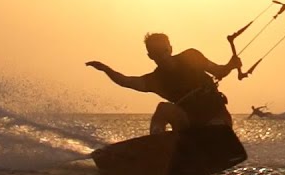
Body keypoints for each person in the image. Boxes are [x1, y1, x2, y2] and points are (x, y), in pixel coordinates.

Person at [86, 32, 242, 135]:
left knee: (215, 127)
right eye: (156, 53)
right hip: (189, 124)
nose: (162, 56)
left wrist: (231, 64)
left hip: (217, 117)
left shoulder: (192, 57)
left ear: (171, 49)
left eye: (164, 51)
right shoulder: (155, 80)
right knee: (163, 109)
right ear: (150, 56)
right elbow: (125, 81)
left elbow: (220, 72)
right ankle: (157, 143)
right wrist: (106, 69)